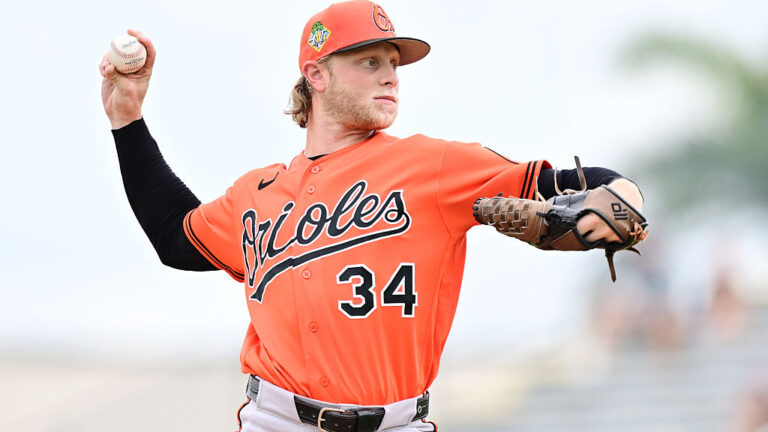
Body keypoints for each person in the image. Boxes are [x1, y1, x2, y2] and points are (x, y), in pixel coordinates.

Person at [99, 1, 644, 431]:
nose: (392, 76)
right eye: (370, 61)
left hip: (396, 423)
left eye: (393, 63)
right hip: (276, 421)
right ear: (316, 74)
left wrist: (624, 198)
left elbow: (573, 182)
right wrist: (128, 120)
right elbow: (175, 236)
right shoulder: (257, 194)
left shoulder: (432, 166)